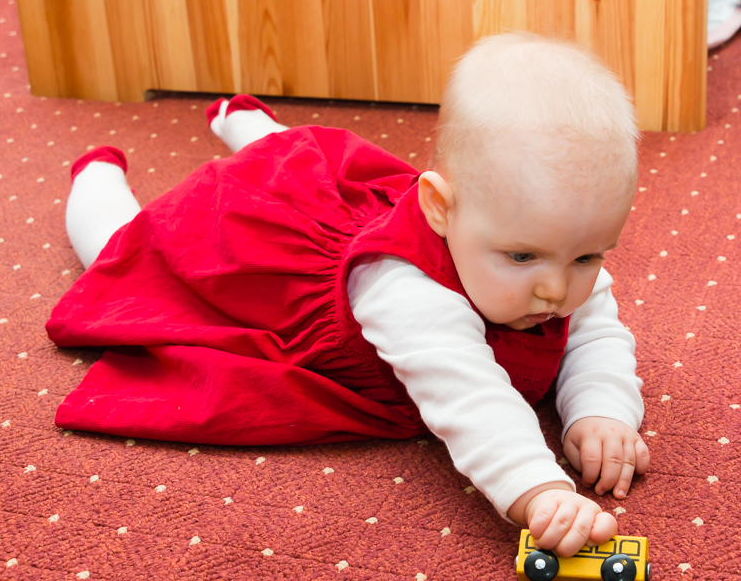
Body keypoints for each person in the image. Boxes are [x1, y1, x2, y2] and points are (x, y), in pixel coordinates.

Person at [49, 32, 648, 557]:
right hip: (263, 262)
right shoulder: (403, 288)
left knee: (293, 161)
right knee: (132, 255)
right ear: (441, 210)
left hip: (345, 211)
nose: (555, 287)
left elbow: (595, 330)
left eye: (588, 257)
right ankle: (97, 176)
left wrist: (602, 409)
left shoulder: (548, 244)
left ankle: (244, 120)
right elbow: (469, 397)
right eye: (521, 257)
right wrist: (539, 489)